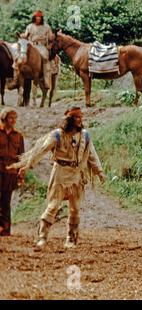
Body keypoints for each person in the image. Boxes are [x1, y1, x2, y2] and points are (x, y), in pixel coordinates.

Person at [8, 107, 106, 248]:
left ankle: (71, 239)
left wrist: (100, 172)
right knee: (53, 206)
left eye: (81, 117)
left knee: (75, 208)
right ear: (70, 119)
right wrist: (26, 166)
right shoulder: (57, 135)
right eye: (76, 117)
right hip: (60, 173)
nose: (80, 120)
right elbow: (41, 151)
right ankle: (42, 236)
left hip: (76, 174)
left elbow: (91, 155)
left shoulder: (85, 136)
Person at [0, 107, 24, 236]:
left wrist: (21, 174)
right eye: (11, 117)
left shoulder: (18, 136)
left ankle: (6, 229)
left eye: (15, 118)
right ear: (4, 118)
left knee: (6, 202)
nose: (13, 120)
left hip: (11, 173)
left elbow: (22, 157)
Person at [17, 10, 53, 90]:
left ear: (41, 18)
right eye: (37, 17)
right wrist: (22, 36)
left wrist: (51, 40)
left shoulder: (46, 26)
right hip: (31, 44)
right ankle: (16, 75)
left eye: (39, 17)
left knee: (45, 58)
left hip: (41, 46)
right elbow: (26, 35)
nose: (38, 19)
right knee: (20, 55)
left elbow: (50, 37)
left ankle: (46, 80)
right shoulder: (29, 26)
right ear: (34, 18)